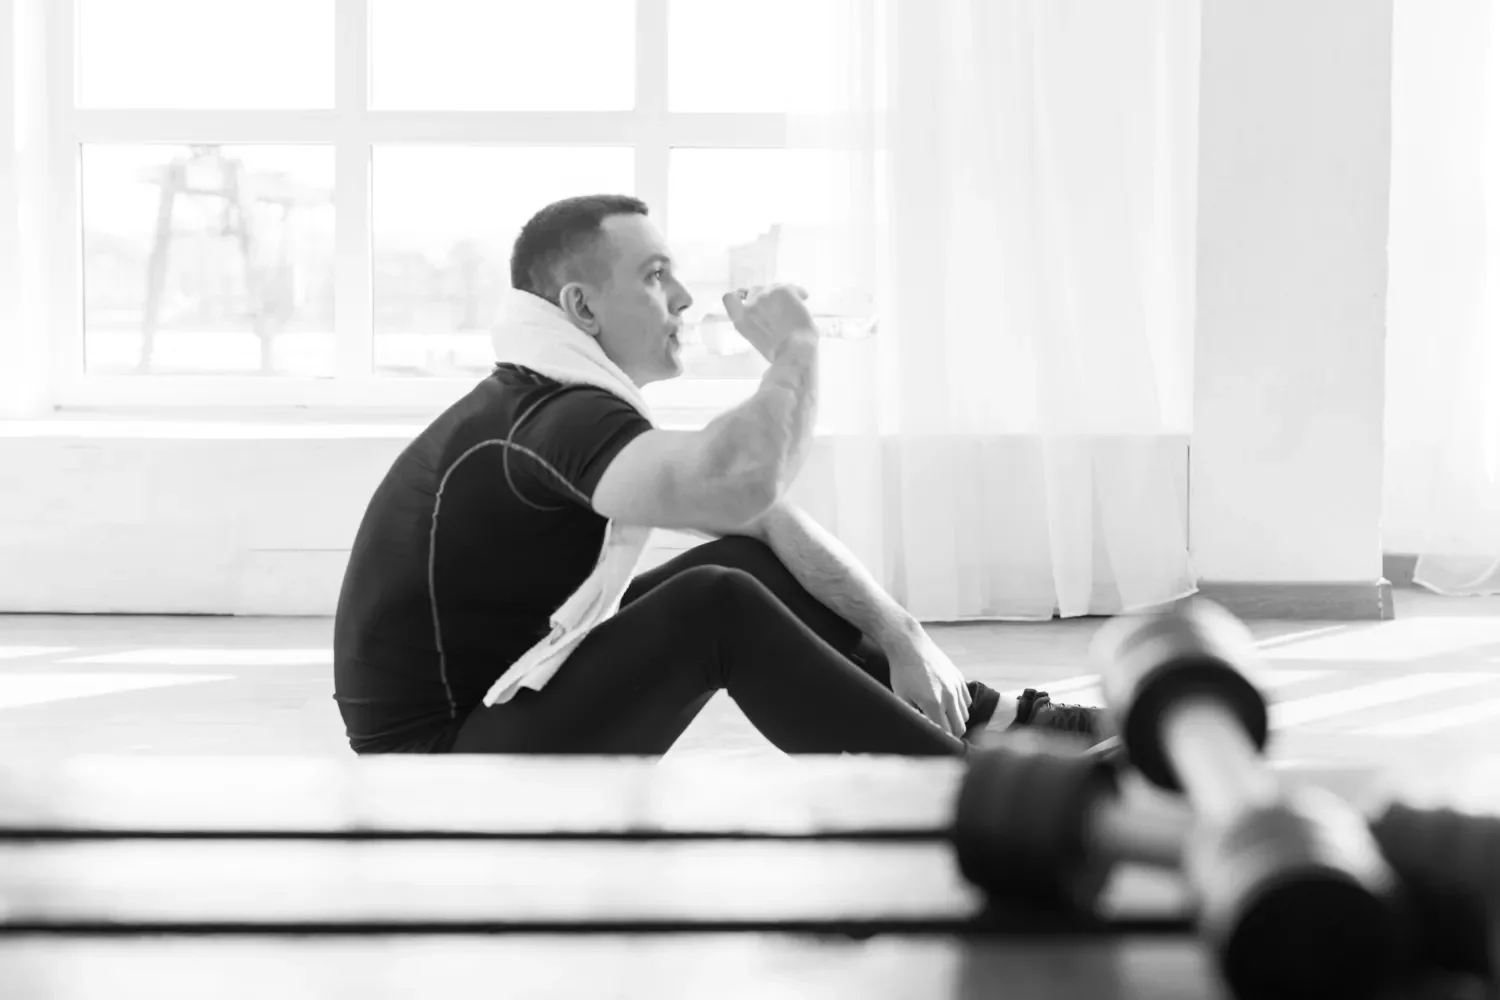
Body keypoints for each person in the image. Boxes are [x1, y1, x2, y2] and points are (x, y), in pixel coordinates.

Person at [332, 194, 1107, 757]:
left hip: (497, 707)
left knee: (740, 562)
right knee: (715, 604)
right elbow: (742, 482)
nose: (684, 299)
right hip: (436, 765)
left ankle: (984, 718)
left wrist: (901, 635)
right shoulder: (550, 422)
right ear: (581, 307)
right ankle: (977, 796)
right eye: (655, 276)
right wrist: (797, 352)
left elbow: (757, 515)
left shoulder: (552, 401)